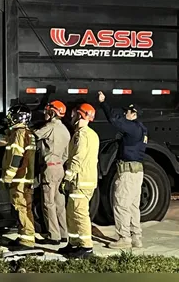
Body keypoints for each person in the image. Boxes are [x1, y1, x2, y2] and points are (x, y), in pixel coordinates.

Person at [98, 91, 147, 249]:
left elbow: (114, 120)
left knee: (120, 204)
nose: (125, 113)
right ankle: (136, 237)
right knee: (133, 206)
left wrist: (104, 103)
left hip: (128, 172)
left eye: (128, 111)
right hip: (137, 172)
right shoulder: (141, 128)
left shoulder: (132, 127)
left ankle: (124, 238)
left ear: (134, 113)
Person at [58, 103, 99, 259]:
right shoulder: (91, 134)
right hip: (84, 180)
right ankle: (74, 243)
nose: (72, 116)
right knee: (71, 213)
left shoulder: (81, 135)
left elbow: (77, 159)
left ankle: (86, 247)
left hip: (80, 181)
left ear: (81, 116)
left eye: (75, 114)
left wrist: (67, 177)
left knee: (80, 214)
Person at [0, 104, 37, 251]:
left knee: (20, 208)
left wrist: (8, 176)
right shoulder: (28, 133)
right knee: (26, 208)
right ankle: (26, 237)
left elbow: (16, 156)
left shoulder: (19, 134)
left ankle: (26, 242)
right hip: (27, 178)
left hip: (19, 178)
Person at [34, 100, 70, 245]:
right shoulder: (65, 130)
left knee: (48, 203)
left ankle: (53, 236)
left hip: (49, 168)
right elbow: (66, 155)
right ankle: (63, 234)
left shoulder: (49, 127)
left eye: (47, 111)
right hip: (60, 168)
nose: (45, 114)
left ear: (52, 112)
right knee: (59, 203)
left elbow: (33, 136)